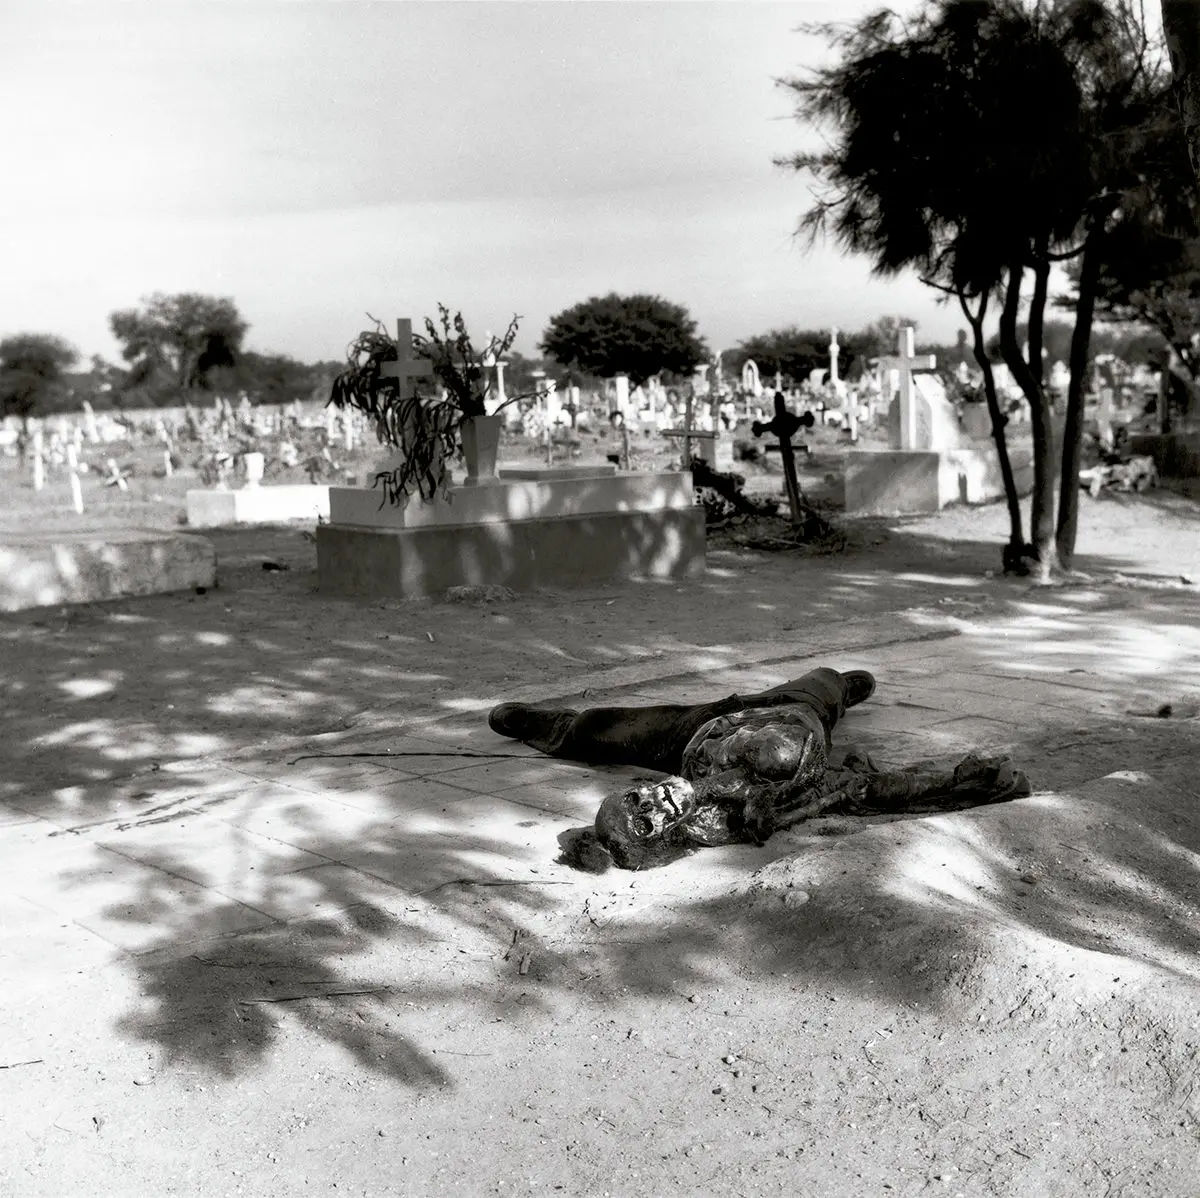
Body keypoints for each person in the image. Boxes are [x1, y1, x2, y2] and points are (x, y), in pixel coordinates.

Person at [489, 668, 1030, 871]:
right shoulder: (751, 807)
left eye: (636, 800)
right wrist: (962, 782)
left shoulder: (686, 781)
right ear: (664, 840)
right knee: (826, 679)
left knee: (598, 731)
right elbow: (861, 791)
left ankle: (540, 724)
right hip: (795, 707)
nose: (651, 800)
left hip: (693, 731)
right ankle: (845, 690)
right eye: (649, 820)